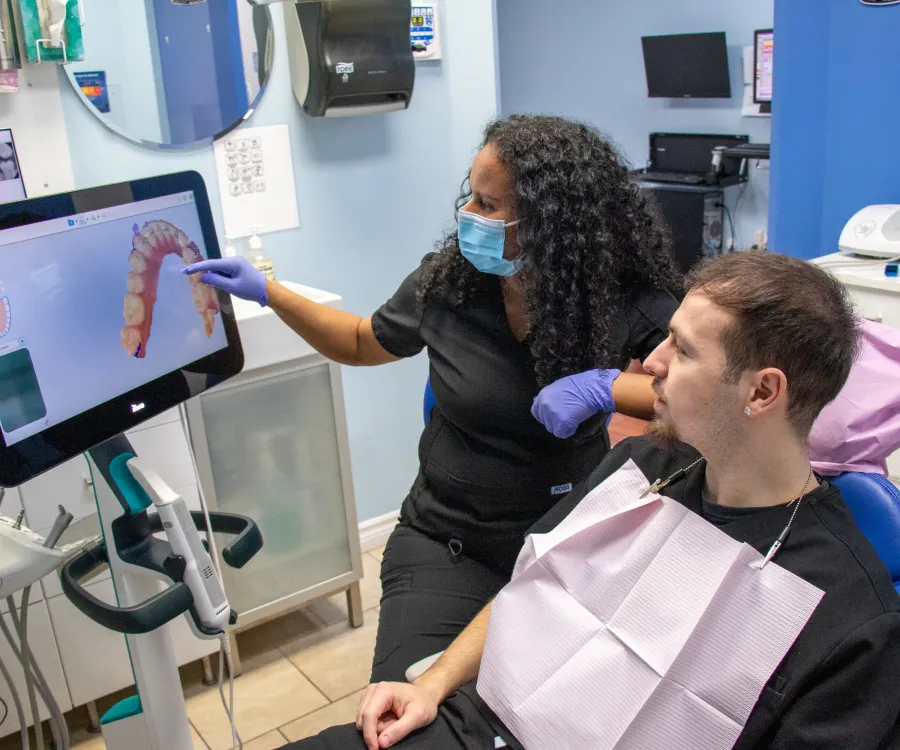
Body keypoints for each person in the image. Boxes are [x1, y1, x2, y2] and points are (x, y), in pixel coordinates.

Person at [279, 251, 900, 750]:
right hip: (473, 723)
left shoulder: (852, 623)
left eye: (681, 349)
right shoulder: (642, 465)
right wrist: (436, 681)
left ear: (762, 392)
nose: (650, 362)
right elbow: (536, 581)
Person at [185, 115, 683, 682]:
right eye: (470, 196)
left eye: (489, 205)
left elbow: (703, 386)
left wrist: (606, 386)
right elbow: (357, 340)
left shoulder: (621, 296)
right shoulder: (450, 283)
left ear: (553, 223)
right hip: (450, 542)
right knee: (407, 710)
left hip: (567, 541)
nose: (469, 215)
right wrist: (270, 292)